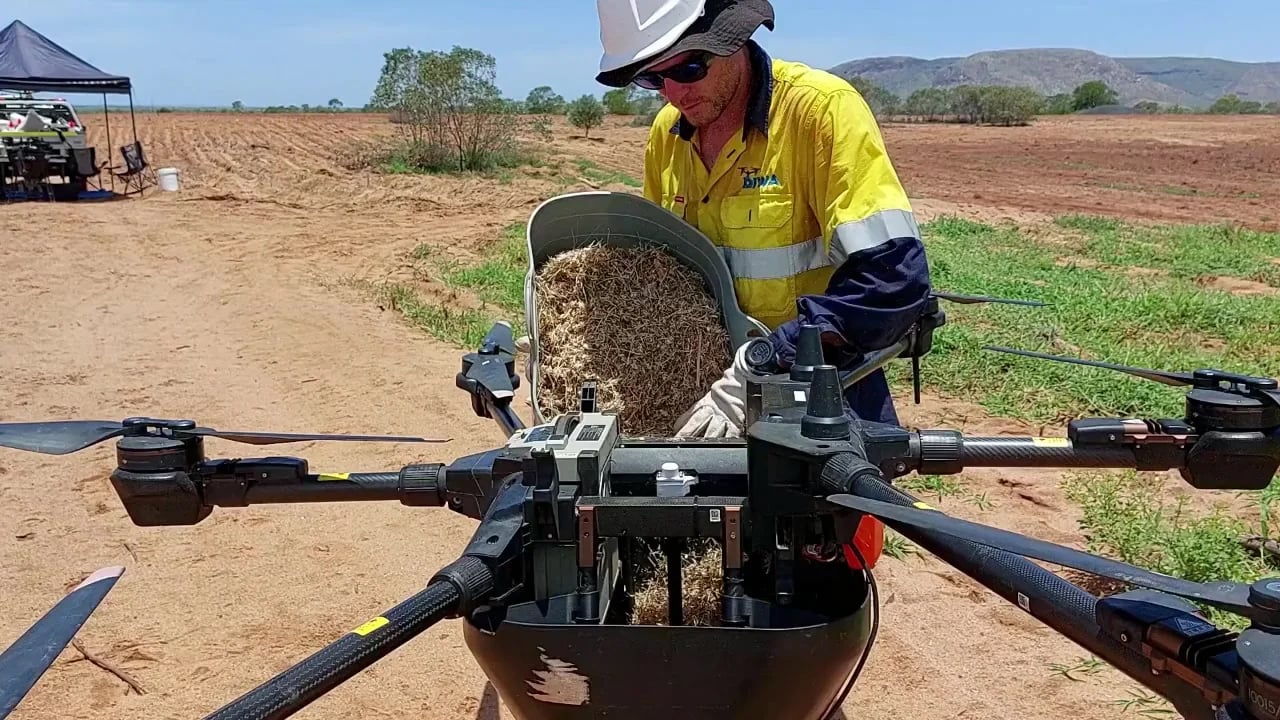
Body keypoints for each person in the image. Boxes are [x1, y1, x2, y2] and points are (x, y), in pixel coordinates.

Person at [593, 0, 933, 438]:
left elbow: (892, 284)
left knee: (849, 505)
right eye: (651, 78)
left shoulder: (820, 112)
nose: (675, 94)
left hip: (823, 388)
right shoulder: (667, 135)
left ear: (734, 39)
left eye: (689, 69)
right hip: (702, 399)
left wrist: (766, 359)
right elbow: (662, 276)